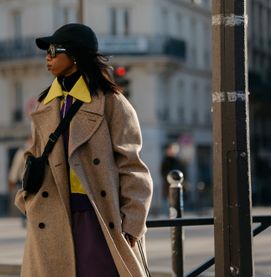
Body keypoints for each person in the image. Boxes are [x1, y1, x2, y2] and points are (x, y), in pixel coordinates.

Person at [14, 23, 153, 277]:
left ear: (75, 55)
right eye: (47, 50)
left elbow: (132, 165)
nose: (48, 56)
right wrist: (28, 201)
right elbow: (32, 156)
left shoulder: (111, 103)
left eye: (55, 50)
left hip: (98, 217)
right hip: (52, 217)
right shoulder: (45, 104)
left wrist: (132, 221)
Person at [160, 142, 186, 214]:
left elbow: (183, 171)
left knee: (178, 204)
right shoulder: (166, 160)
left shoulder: (178, 161)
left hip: (178, 185)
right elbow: (162, 172)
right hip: (168, 186)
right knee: (167, 204)